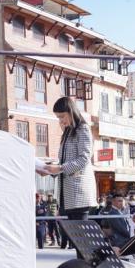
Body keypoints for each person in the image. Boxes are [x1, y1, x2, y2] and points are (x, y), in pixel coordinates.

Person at [42, 96, 97, 225]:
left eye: (62, 116)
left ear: (71, 111)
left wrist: (60, 168)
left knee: (80, 235)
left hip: (79, 191)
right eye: (58, 118)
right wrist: (50, 170)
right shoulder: (67, 132)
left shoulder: (82, 129)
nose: (60, 120)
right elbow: (65, 161)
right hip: (68, 192)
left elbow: (84, 158)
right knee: (74, 235)